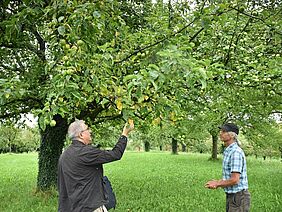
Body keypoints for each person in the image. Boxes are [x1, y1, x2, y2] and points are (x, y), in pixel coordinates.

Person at [58, 119, 134, 212]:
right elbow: (115, 154)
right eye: (87, 129)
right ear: (81, 135)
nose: (90, 131)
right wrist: (125, 134)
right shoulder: (86, 153)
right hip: (90, 207)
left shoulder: (64, 155)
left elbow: (63, 187)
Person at [205, 123, 251, 212]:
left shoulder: (235, 152)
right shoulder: (228, 151)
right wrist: (218, 181)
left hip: (238, 197)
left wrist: (217, 183)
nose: (220, 133)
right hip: (233, 196)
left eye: (224, 131)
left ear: (232, 135)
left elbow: (235, 180)